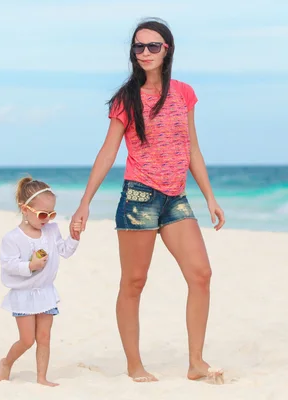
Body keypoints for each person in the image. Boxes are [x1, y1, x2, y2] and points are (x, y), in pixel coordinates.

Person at [69, 18, 225, 384]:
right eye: (138, 47)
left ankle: (196, 363)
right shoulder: (127, 99)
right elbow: (109, 151)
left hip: (176, 198)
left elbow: (192, 150)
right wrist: (84, 202)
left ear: (166, 49)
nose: (145, 53)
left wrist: (210, 198)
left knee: (201, 274)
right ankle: (134, 366)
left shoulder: (184, 93)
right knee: (134, 282)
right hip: (139, 197)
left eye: (152, 46)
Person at [0, 176, 81, 386]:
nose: (48, 219)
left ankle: (42, 377)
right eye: (43, 214)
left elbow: (65, 251)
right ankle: (6, 362)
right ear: (25, 209)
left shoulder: (51, 230)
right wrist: (30, 266)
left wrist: (75, 236)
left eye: (51, 213)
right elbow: (8, 265)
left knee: (44, 338)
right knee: (27, 340)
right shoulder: (12, 238)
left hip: (45, 293)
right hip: (24, 295)